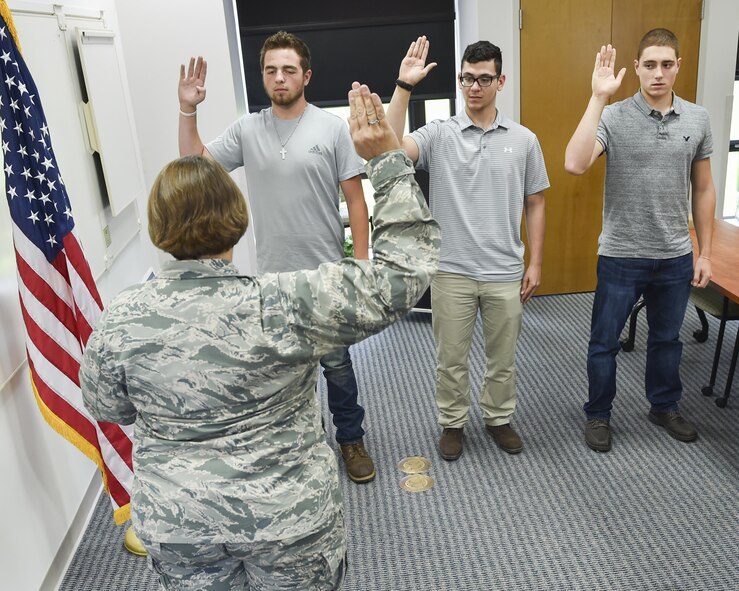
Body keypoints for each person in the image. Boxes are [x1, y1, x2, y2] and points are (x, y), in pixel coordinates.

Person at [79, 83, 440, 590]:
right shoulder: (287, 303)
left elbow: (105, 407)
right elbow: (405, 276)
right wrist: (384, 161)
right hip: (289, 520)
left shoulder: (120, 320)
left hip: (180, 525)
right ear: (237, 222)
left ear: (159, 229)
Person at [177, 31, 376, 483]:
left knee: (338, 369)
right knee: (284, 376)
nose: (280, 78)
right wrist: (188, 109)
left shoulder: (332, 128)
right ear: (263, 76)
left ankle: (351, 439)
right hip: (271, 281)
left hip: (325, 275)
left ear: (306, 75)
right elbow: (194, 163)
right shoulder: (249, 128)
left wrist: (361, 266)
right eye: (271, 70)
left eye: (289, 70)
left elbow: (356, 201)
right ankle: (301, 446)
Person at [386, 37, 549, 460]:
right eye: (466, 78)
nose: (473, 86)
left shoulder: (524, 140)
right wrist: (404, 86)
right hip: (452, 270)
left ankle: (498, 417)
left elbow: (536, 201)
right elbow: (389, 148)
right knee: (451, 359)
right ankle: (452, 423)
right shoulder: (440, 134)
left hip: (504, 270)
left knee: (503, 357)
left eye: (483, 78)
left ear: (500, 80)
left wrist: (536, 260)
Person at [564, 29, 716, 452]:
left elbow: (703, 188)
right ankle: (598, 414)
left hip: (674, 255)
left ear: (678, 66)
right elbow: (574, 164)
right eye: (649, 64)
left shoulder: (697, 118)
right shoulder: (613, 116)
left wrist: (705, 252)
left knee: (667, 340)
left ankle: (663, 405)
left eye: (667, 64)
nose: (658, 73)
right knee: (604, 342)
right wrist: (597, 97)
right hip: (621, 253)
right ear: (636, 68)